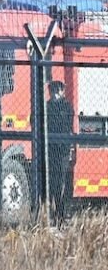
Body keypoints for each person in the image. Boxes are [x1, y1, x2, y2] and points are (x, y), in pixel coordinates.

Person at [45, 79, 75, 223]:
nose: (55, 93)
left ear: (62, 91)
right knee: (51, 182)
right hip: (50, 150)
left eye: (58, 90)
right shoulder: (46, 107)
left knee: (61, 182)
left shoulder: (66, 107)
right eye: (53, 90)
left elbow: (67, 125)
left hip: (62, 150)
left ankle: (61, 213)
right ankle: (50, 213)